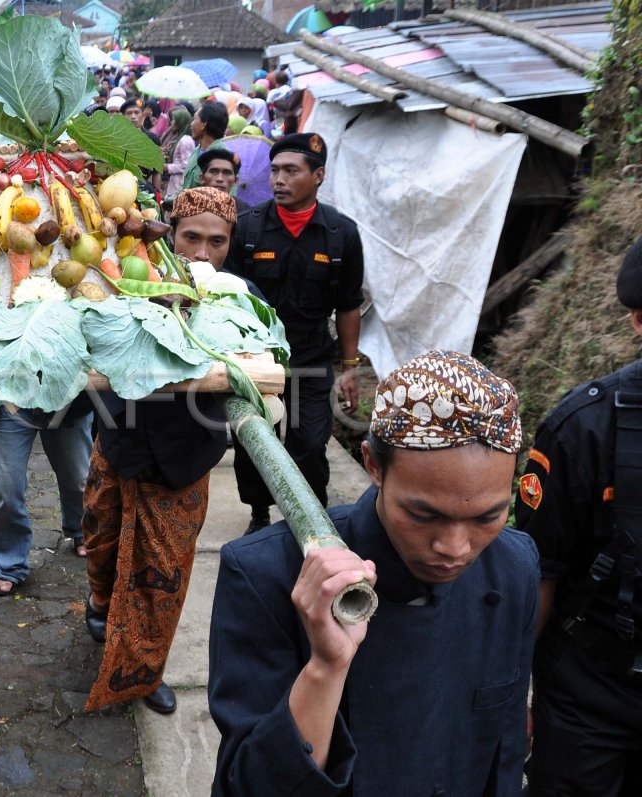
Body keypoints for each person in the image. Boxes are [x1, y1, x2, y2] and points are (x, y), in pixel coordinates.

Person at [209, 349, 537, 796]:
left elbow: (503, 745)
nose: (454, 549)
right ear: (373, 465)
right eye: (423, 515)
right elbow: (248, 786)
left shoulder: (514, 567)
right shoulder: (266, 573)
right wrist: (325, 668)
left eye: (487, 518)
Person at [83, 188, 238, 716]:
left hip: (185, 458)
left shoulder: (237, 299)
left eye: (215, 242)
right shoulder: (123, 282)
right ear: (167, 236)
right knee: (100, 543)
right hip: (120, 441)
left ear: (229, 246)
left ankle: (145, 672)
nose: (200, 252)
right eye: (189, 237)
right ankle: (100, 604)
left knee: (163, 575)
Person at [516, 239, 642, 795]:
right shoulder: (585, 430)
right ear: (639, 321)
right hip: (590, 688)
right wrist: (512, 694)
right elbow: (540, 573)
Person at [227, 133, 364, 530]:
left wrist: (350, 367)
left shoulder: (341, 235)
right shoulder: (249, 229)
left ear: (318, 176)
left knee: (308, 444)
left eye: (291, 171)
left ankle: (311, 517)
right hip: (258, 358)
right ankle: (259, 512)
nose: (278, 180)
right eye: (274, 171)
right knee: (255, 442)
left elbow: (349, 305)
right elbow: (229, 296)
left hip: (311, 358)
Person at [0, 398, 95, 596]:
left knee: (79, 478)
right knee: (7, 486)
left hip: (68, 399)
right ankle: (8, 564)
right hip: (10, 397)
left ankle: (80, 527)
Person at [181, 100, 229, 191]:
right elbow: (185, 187)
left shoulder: (222, 157)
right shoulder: (197, 151)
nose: (191, 124)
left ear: (203, 125)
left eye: (194, 119)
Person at [198, 148, 247, 216]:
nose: (220, 179)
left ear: (235, 181)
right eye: (213, 172)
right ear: (202, 178)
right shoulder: (187, 206)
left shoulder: (244, 213)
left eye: (227, 173)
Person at [162, 107, 195, 197]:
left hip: (179, 184)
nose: (171, 123)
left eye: (174, 120)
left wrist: (167, 167)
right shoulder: (181, 138)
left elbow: (186, 166)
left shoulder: (185, 141)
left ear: (180, 122)